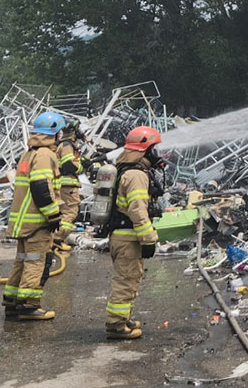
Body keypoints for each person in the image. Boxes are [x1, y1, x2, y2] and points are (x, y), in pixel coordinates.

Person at [3, 111, 65, 320]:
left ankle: (12, 302)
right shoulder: (45, 155)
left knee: (22, 261)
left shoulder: (28, 153)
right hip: (37, 223)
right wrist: (53, 215)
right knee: (36, 262)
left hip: (23, 223)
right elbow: (41, 188)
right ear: (54, 133)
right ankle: (29, 306)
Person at [103, 125, 162, 339]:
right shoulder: (137, 174)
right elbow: (137, 208)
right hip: (129, 237)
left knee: (128, 279)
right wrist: (149, 239)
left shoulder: (124, 169)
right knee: (126, 281)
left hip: (121, 235)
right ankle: (116, 325)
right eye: (153, 149)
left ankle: (123, 318)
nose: (156, 154)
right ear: (144, 150)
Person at [52, 119, 85, 251]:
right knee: (70, 212)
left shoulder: (62, 144)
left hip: (63, 185)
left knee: (62, 213)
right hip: (67, 186)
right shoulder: (67, 145)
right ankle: (57, 239)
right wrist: (82, 167)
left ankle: (58, 239)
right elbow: (68, 165)